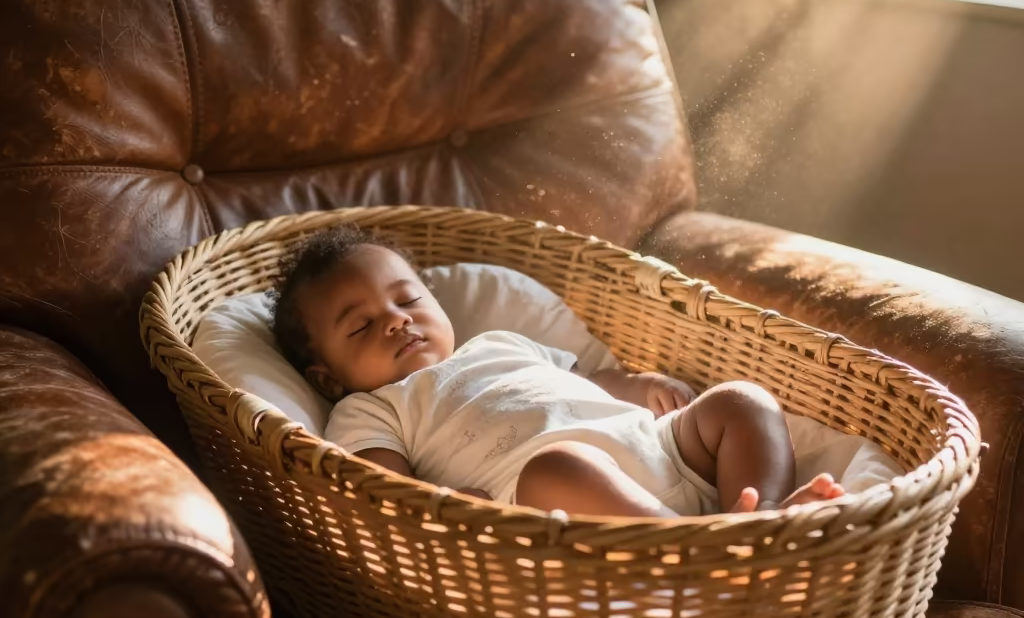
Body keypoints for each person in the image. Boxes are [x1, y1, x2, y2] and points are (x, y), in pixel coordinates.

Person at [271, 227, 844, 516]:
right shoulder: (369, 408)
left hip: (663, 450)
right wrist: (443, 499)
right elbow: (382, 488)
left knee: (740, 401)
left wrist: (640, 386)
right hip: (562, 503)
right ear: (326, 378)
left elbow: (591, 380)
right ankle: (702, 553)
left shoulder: (498, 342)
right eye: (360, 326)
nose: (396, 322)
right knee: (558, 466)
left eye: (408, 301)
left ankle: (762, 522)